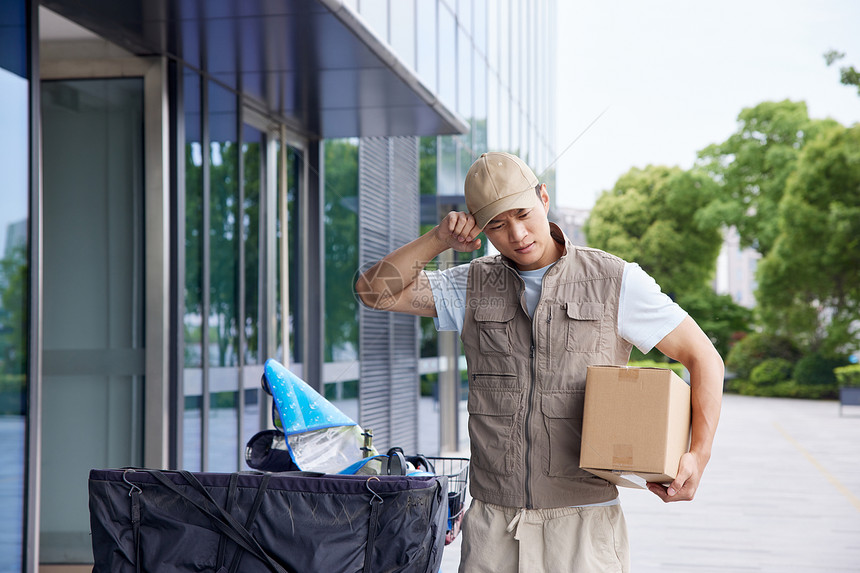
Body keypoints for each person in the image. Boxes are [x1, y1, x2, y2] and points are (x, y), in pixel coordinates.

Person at [355, 151, 724, 572]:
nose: (517, 234)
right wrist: (438, 239)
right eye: (497, 223)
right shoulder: (470, 285)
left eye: (522, 214)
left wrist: (699, 454)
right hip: (494, 523)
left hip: (583, 525)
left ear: (544, 198)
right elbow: (373, 292)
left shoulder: (614, 281)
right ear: (479, 226)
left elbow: (704, 357)